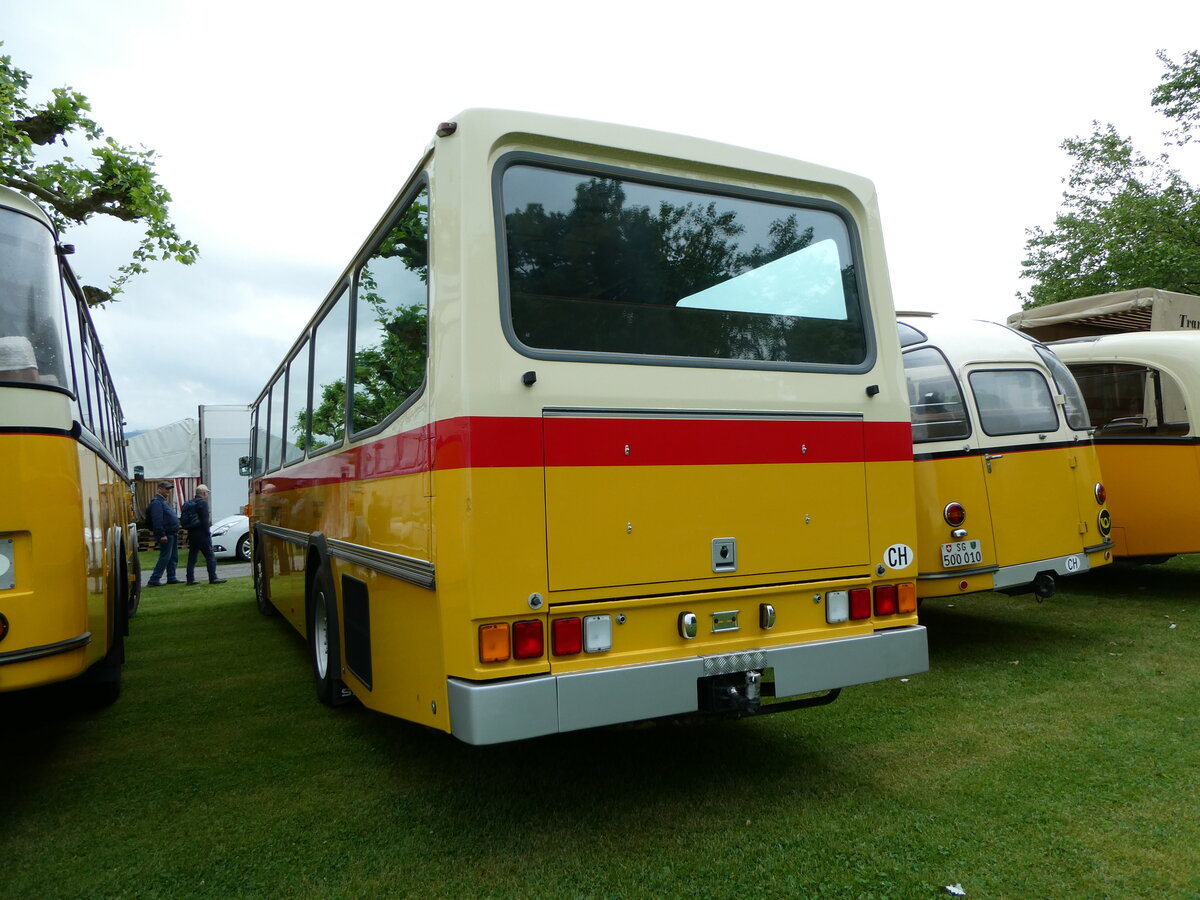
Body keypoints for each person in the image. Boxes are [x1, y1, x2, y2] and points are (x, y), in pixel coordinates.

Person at [185, 484, 226, 585]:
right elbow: (205, 520)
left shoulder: (190, 503)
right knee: (210, 556)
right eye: (207, 492)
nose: (207, 494)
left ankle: (190, 579)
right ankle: (213, 577)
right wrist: (208, 532)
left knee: (192, 557)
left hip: (192, 533)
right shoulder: (203, 503)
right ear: (203, 493)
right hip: (202, 533)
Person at [146, 481, 181, 586]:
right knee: (165, 557)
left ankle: (171, 577)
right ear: (159, 489)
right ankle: (154, 579)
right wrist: (162, 534)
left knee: (173, 556)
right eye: (166, 488)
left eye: (169, 489)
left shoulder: (163, 501)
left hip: (172, 533)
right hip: (166, 534)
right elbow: (157, 520)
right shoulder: (157, 502)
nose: (168, 491)